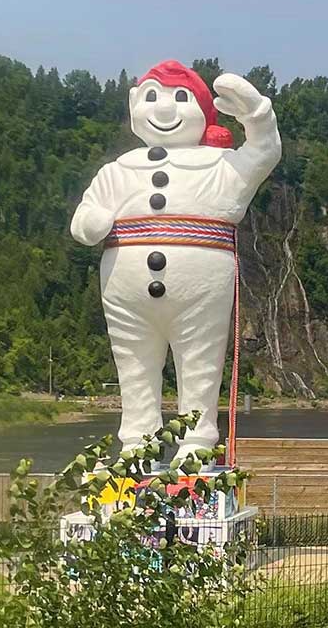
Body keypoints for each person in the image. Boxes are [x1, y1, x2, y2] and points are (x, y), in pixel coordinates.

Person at [71, 61, 281, 460]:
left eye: (180, 99)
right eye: (152, 97)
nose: (164, 110)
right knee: (133, 364)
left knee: (200, 359)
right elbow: (86, 215)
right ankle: (137, 442)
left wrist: (257, 114)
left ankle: (198, 442)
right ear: (135, 104)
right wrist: (90, 222)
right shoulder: (117, 170)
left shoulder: (222, 166)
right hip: (126, 296)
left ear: (203, 113)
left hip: (200, 290)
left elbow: (265, 151)